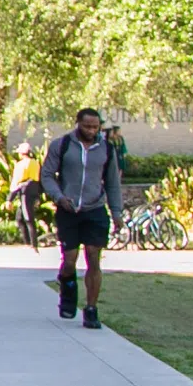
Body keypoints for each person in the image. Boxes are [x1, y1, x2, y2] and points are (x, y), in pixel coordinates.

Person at [42, 106, 125, 329]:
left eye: (96, 127)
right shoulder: (63, 145)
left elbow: (112, 183)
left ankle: (91, 309)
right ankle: (67, 287)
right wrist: (59, 197)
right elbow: (47, 175)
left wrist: (116, 212)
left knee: (93, 256)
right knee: (69, 260)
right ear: (78, 123)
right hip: (68, 209)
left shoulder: (106, 148)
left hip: (95, 208)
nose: (91, 131)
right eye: (87, 126)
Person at [9, 141, 44, 247]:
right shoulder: (35, 163)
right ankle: (28, 242)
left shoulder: (21, 165)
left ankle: (32, 243)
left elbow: (17, 182)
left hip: (25, 192)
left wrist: (10, 198)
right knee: (20, 217)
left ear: (21, 154)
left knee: (28, 218)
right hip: (33, 190)